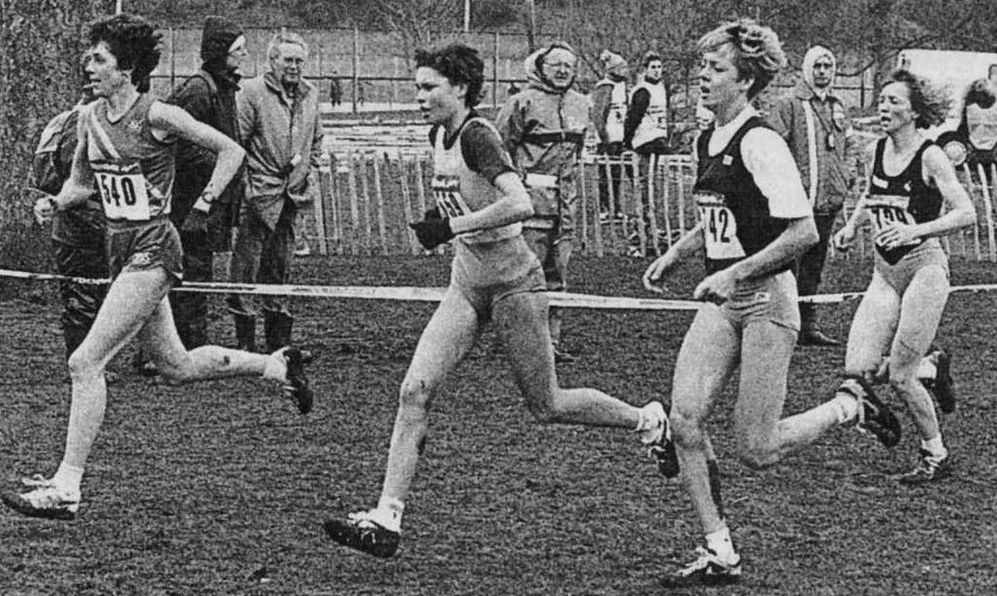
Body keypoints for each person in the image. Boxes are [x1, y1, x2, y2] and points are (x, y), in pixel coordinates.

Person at [323, 43, 669, 559]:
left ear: (459, 89)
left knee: (547, 405)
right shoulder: (437, 133)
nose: (419, 97)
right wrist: (439, 219)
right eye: (417, 87)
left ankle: (649, 421)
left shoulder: (478, 135)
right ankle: (386, 518)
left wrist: (451, 226)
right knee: (414, 390)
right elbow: (465, 197)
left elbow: (519, 202)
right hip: (466, 283)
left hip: (514, 285)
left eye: (428, 88)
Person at [3, 13, 313, 522]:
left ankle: (67, 486)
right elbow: (84, 182)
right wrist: (55, 203)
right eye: (90, 57)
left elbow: (230, 150)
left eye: (99, 59)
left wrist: (206, 203)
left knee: (85, 362)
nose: (88, 65)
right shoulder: (89, 118)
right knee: (176, 365)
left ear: (126, 69)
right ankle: (276, 364)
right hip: (120, 251)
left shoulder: (158, 115)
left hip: (154, 250)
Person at [642, 19, 905, 586]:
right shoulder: (706, 136)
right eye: (702, 68)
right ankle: (719, 550)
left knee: (756, 449)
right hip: (722, 300)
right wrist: (678, 253)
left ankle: (849, 406)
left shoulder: (761, 140)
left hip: (766, 301)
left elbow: (802, 233)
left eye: (716, 71)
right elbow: (722, 213)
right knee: (685, 419)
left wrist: (734, 272)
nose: (702, 79)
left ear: (745, 80)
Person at [832, 69, 975, 484]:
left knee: (899, 375)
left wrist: (915, 230)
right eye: (882, 100)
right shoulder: (877, 149)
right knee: (858, 368)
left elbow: (967, 212)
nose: (884, 108)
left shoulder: (930, 155)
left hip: (924, 269)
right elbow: (870, 193)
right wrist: (852, 225)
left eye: (894, 101)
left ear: (914, 112)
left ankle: (935, 454)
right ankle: (933, 368)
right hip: (884, 271)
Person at [227, 31, 324, 353]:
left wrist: (308, 169)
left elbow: (316, 139)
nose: (294, 67)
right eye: (288, 60)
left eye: (299, 61)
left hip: (292, 196)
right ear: (272, 61)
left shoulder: (311, 94)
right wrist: (248, 187)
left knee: (281, 265)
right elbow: (236, 144)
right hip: (258, 195)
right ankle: (244, 344)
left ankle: (279, 343)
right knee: (246, 266)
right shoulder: (251, 92)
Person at [495, 42, 587, 364]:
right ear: (541, 68)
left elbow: (577, 154)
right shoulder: (520, 103)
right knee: (524, 275)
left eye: (569, 66)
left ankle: (551, 344)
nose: (562, 71)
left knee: (557, 277)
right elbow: (499, 150)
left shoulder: (581, 104)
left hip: (565, 208)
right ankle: (518, 343)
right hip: (529, 206)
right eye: (556, 65)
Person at [166, 15, 247, 350]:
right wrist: (221, 166)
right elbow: (179, 146)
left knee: (199, 273)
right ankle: (175, 348)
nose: (244, 54)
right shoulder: (198, 91)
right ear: (220, 52)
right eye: (238, 49)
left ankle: (191, 344)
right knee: (185, 275)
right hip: (189, 202)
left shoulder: (221, 88)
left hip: (208, 201)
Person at [769, 46, 849, 346]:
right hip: (797, 202)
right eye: (817, 66)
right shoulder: (789, 104)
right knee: (789, 263)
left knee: (815, 264)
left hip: (828, 200)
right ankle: (783, 322)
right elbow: (773, 150)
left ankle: (808, 324)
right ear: (806, 69)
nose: (823, 71)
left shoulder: (838, 105)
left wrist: (845, 179)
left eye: (828, 66)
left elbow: (846, 147)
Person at [31, 63, 108, 373]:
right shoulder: (82, 122)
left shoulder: (64, 119)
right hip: (79, 222)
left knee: (89, 293)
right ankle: (81, 362)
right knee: (83, 296)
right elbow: (74, 178)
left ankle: (90, 359)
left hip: (79, 221)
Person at [623, 50, 670, 255]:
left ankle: (654, 230)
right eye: (653, 67)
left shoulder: (661, 88)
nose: (657, 71)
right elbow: (633, 118)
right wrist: (628, 140)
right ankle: (641, 232)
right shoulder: (642, 91)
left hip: (658, 140)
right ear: (645, 70)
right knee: (644, 188)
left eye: (659, 67)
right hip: (644, 141)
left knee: (654, 188)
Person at [590, 50, 628, 221]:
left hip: (619, 138)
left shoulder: (622, 86)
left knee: (617, 175)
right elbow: (598, 116)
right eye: (621, 67)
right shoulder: (605, 87)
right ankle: (605, 208)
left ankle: (617, 207)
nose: (625, 70)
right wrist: (604, 138)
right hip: (608, 139)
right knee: (606, 176)